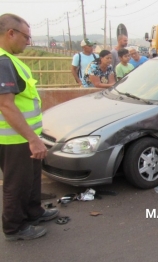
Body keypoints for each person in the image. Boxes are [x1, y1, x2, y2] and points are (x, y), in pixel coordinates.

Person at [0, 13, 59, 241]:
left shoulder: (10, 60)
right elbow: (6, 105)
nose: (29, 41)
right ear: (10, 33)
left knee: (32, 179)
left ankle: (34, 212)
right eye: (26, 36)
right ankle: (15, 228)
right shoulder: (3, 62)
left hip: (24, 135)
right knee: (17, 185)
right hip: (15, 139)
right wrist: (32, 139)